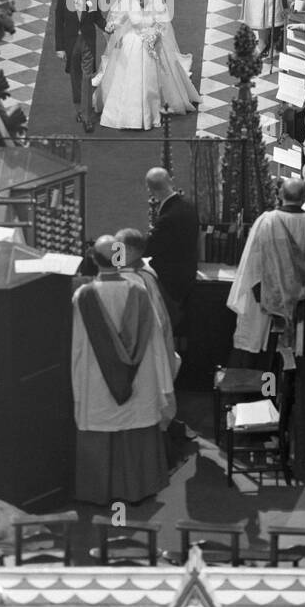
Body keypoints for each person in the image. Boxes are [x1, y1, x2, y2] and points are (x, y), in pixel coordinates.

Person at [71, 235, 175, 505]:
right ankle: (137, 488)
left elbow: (78, 345)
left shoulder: (83, 295)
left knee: (100, 426)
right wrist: (164, 385)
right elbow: (154, 340)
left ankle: (99, 491)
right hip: (138, 376)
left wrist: (76, 384)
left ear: (93, 260)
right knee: (135, 426)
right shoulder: (139, 291)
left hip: (96, 376)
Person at [227, 178, 305, 355]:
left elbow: (252, 261)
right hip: (303, 298)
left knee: (269, 355)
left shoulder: (267, 221)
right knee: (297, 352)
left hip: (269, 298)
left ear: (280, 195)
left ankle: (272, 378)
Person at [96, 0, 199, 131]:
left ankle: (156, 105)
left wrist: (154, 34)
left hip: (153, 45)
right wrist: (112, 25)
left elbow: (162, 24)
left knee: (155, 77)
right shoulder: (130, 7)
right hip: (133, 44)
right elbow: (120, 21)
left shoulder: (155, 6)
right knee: (131, 77)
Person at [143, 167, 200, 337]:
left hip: (169, 284)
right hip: (187, 276)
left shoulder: (168, 218)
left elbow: (148, 249)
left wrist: (117, 251)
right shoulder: (189, 206)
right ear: (171, 181)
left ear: (150, 190)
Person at [54, 0, 106, 133]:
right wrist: (60, 48)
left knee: (87, 77)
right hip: (71, 45)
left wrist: (108, 27)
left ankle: (87, 117)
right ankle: (79, 109)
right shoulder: (63, 0)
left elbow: (98, 19)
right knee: (75, 77)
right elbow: (58, 25)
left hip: (87, 44)